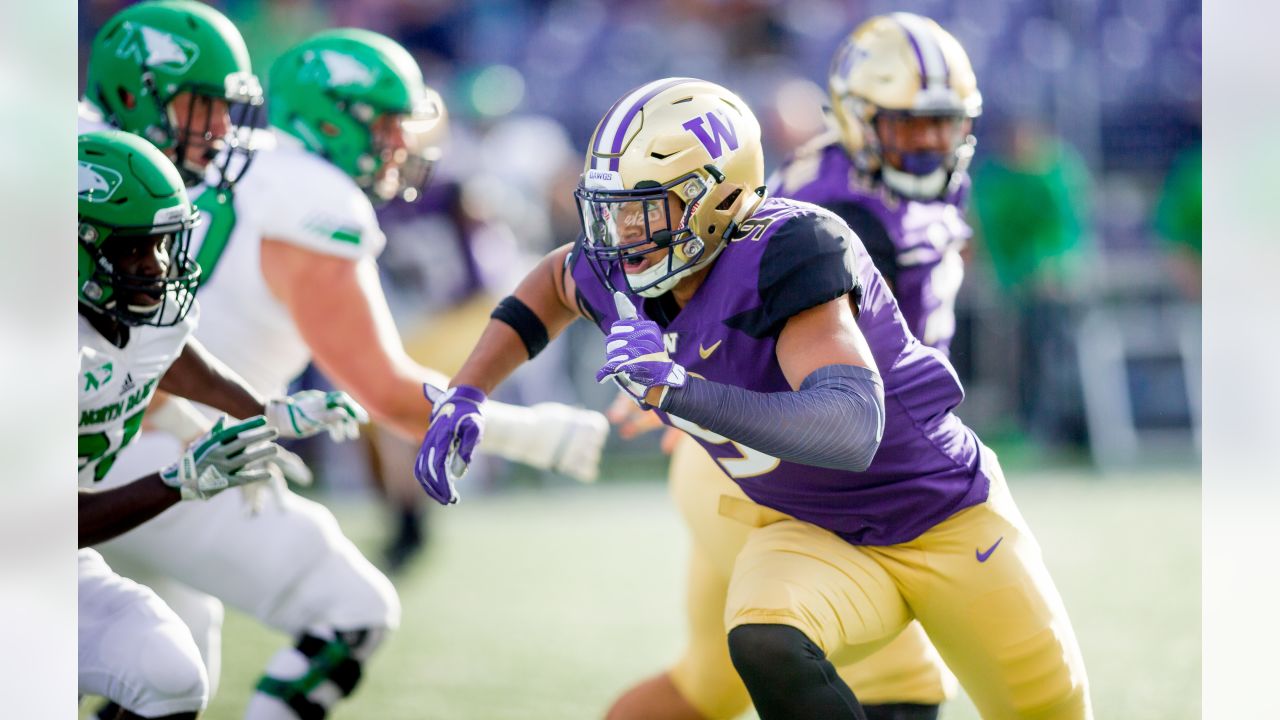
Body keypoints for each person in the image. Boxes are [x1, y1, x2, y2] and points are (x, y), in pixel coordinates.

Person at [418, 77, 1092, 719]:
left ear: (715, 199)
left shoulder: (787, 250)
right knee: (764, 638)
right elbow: (557, 281)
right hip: (811, 529)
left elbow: (851, 428)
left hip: (941, 519)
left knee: (1046, 710)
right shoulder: (618, 263)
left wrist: (682, 392)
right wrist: (469, 390)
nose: (620, 236)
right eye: (612, 211)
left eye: (643, 210)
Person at [91, 24, 608, 720]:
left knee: (169, 670)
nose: (402, 145)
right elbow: (387, 392)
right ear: (336, 118)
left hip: (124, 435)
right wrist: (534, 434)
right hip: (162, 449)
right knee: (352, 611)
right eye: (390, 125)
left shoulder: (238, 165)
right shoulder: (314, 201)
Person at [607, 15, 983, 719]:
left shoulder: (906, 184)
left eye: (944, 124)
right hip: (778, 463)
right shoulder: (834, 211)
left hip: (763, 459)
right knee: (900, 682)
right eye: (909, 125)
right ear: (860, 117)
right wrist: (689, 388)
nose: (931, 143)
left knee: (702, 688)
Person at [77, 129, 358, 719]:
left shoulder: (124, 314)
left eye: (163, 246)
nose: (154, 268)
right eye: (132, 249)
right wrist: (178, 481)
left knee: (169, 671)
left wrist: (271, 414)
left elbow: (178, 364)